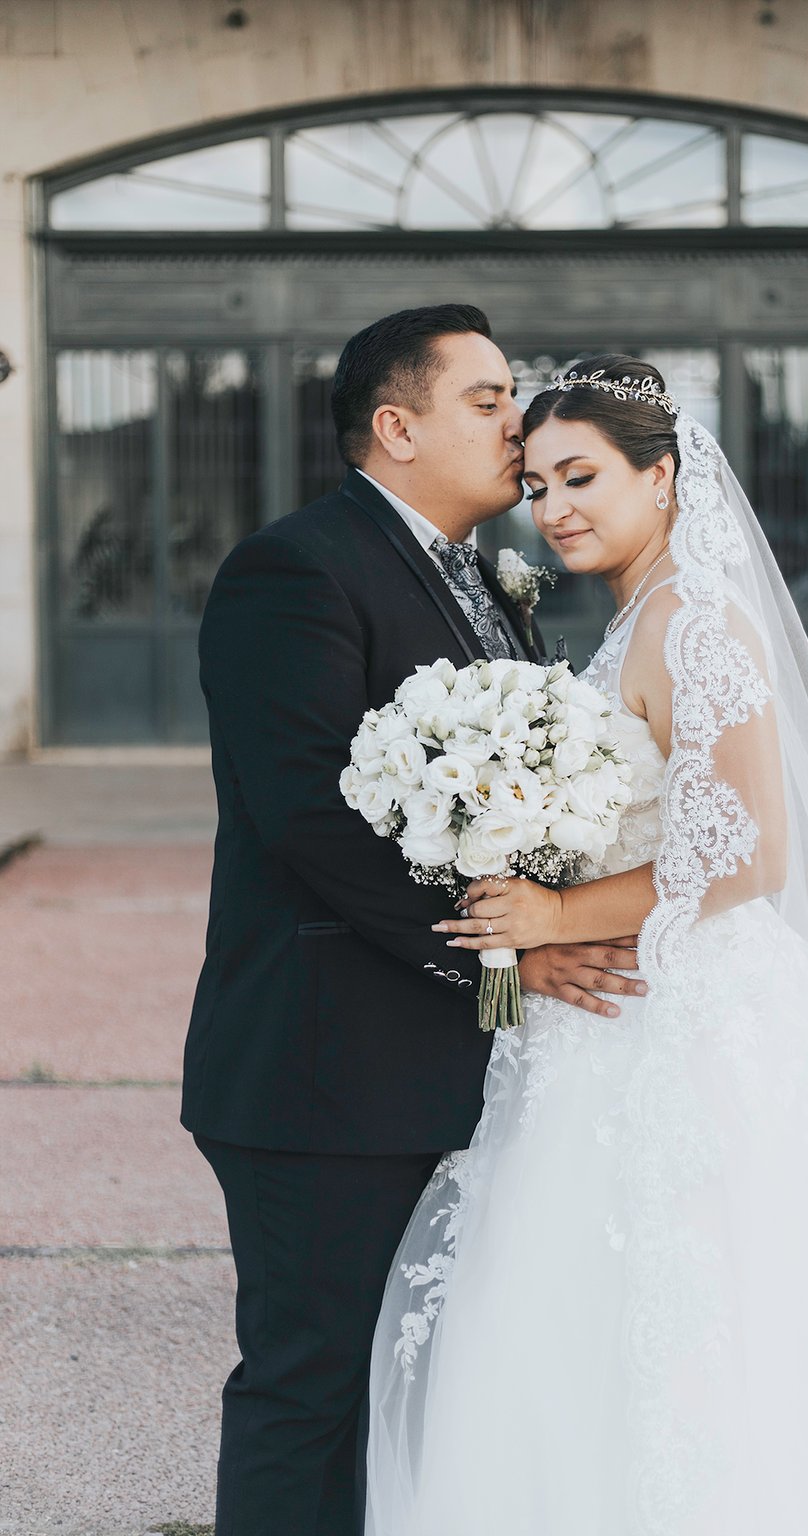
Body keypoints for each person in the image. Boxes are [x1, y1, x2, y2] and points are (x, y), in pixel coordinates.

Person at [365, 356, 808, 1535]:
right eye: (537, 485)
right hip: (609, 1018)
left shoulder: (697, 623)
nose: (554, 508)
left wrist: (552, 916)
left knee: (712, 1307)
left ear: (662, 476)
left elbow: (751, 852)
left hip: (691, 1023)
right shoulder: (637, 617)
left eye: (581, 477)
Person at [180, 309, 646, 1536]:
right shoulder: (294, 570)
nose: (517, 421)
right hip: (324, 1067)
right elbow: (307, 818)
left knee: (423, 1390)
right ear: (396, 427)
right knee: (315, 1386)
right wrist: (514, 950)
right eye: (487, 400)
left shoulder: (486, 577)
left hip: (448, 1062)